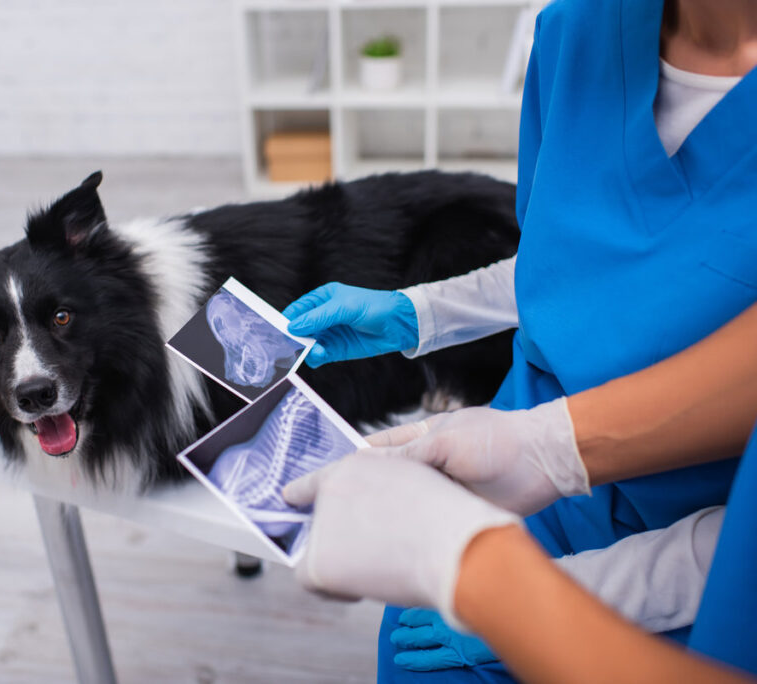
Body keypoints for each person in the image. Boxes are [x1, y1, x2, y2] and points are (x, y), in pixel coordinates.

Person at [281, 0, 757, 679]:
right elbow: (570, 259)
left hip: (710, 547)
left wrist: (536, 595)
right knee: (415, 648)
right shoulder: (576, 33)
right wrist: (417, 314)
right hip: (529, 447)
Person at [282, 303, 757, 681]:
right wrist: (546, 444)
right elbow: (556, 267)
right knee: (413, 637)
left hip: (706, 547)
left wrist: (503, 590)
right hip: (544, 418)